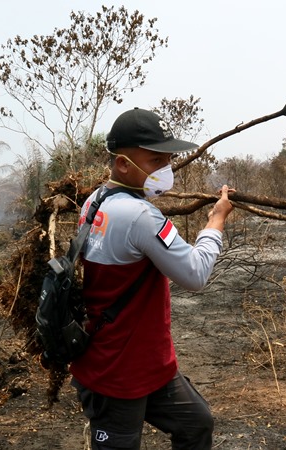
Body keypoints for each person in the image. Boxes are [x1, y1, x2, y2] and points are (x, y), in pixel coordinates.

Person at [70, 107, 235, 449]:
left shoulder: (93, 202)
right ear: (122, 164)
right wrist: (216, 221)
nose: (165, 170)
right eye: (155, 161)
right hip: (118, 372)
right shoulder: (140, 216)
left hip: (147, 364)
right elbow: (194, 273)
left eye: (167, 160)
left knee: (196, 424)